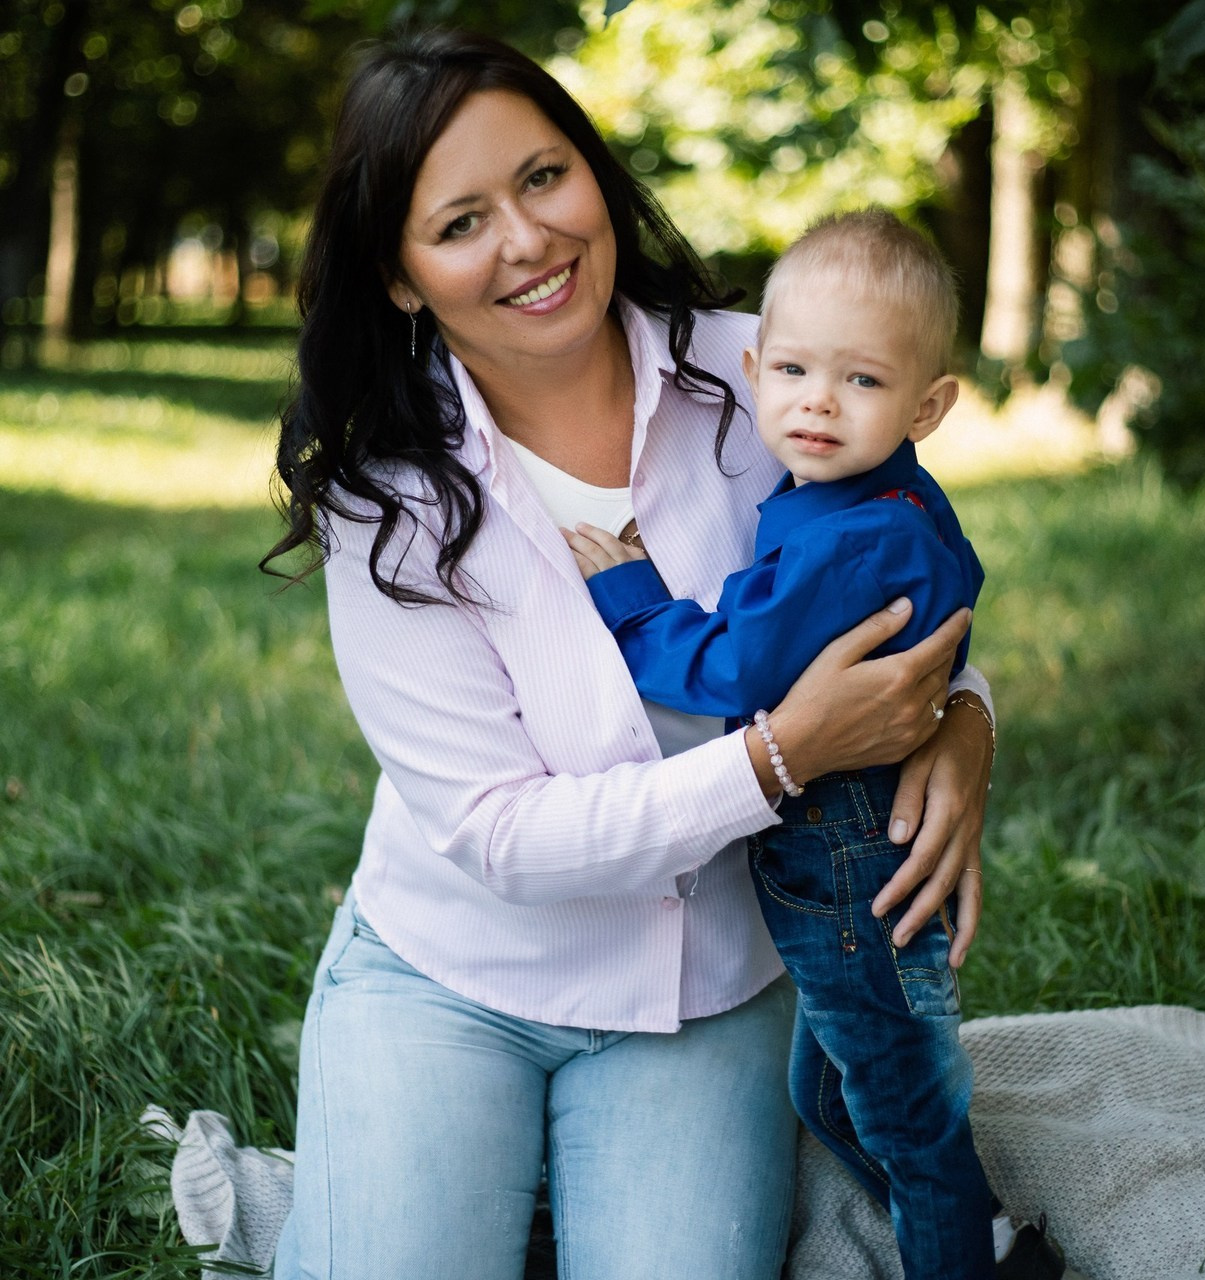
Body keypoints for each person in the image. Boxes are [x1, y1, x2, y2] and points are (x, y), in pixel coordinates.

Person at [260, 27, 996, 1280]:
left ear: (594, 176)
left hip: (703, 989)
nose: (528, 240)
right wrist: (776, 759)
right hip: (455, 974)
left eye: (544, 178)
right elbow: (505, 835)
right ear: (398, 276)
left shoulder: (761, 367)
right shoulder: (384, 506)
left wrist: (966, 719)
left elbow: (898, 554)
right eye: (460, 223)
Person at [566, 209, 1083, 1280]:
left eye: (860, 381)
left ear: (927, 405)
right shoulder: (858, 493)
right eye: (794, 368)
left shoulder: (859, 532)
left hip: (849, 852)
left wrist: (625, 593)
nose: (815, 400)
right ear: (753, 367)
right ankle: (970, 1232)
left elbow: (729, 672)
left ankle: (961, 1247)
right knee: (829, 1088)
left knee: (908, 1117)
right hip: (841, 844)